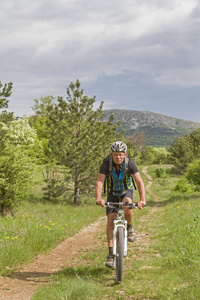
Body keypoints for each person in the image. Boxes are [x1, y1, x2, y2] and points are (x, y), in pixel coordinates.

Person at [95, 141, 146, 268]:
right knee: (111, 220)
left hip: (126, 191)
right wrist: (99, 198)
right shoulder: (106, 164)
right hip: (112, 193)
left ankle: (129, 227)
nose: (118, 157)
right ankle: (111, 254)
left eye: (121, 155)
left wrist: (142, 199)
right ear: (111, 154)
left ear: (125, 154)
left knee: (127, 205)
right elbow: (100, 182)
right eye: (116, 154)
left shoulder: (130, 164)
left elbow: (139, 181)